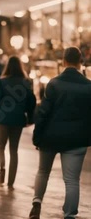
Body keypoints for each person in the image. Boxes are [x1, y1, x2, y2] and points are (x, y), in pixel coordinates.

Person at [29, 47, 91, 219]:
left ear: (63, 61)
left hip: (51, 136)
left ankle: (36, 203)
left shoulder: (54, 83)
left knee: (43, 171)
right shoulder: (89, 87)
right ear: (81, 62)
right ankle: (70, 215)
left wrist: (37, 136)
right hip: (77, 140)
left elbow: (43, 113)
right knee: (72, 181)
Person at [0, 56, 36, 190]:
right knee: (14, 150)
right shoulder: (27, 82)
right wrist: (29, 118)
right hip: (18, 119)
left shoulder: (2, 81)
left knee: (1, 146)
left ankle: (2, 169)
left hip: (3, 119)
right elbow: (31, 102)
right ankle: (11, 182)